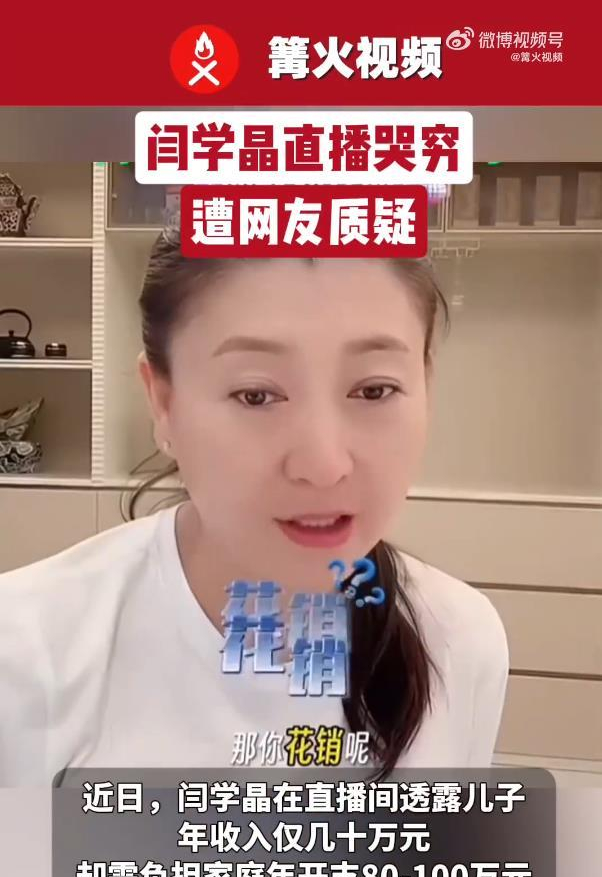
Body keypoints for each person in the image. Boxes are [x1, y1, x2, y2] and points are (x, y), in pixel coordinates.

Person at [0, 231, 509, 786]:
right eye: (256, 395)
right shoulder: (27, 650)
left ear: (426, 386)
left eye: (374, 390)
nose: (323, 465)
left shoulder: (457, 638)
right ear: (163, 402)